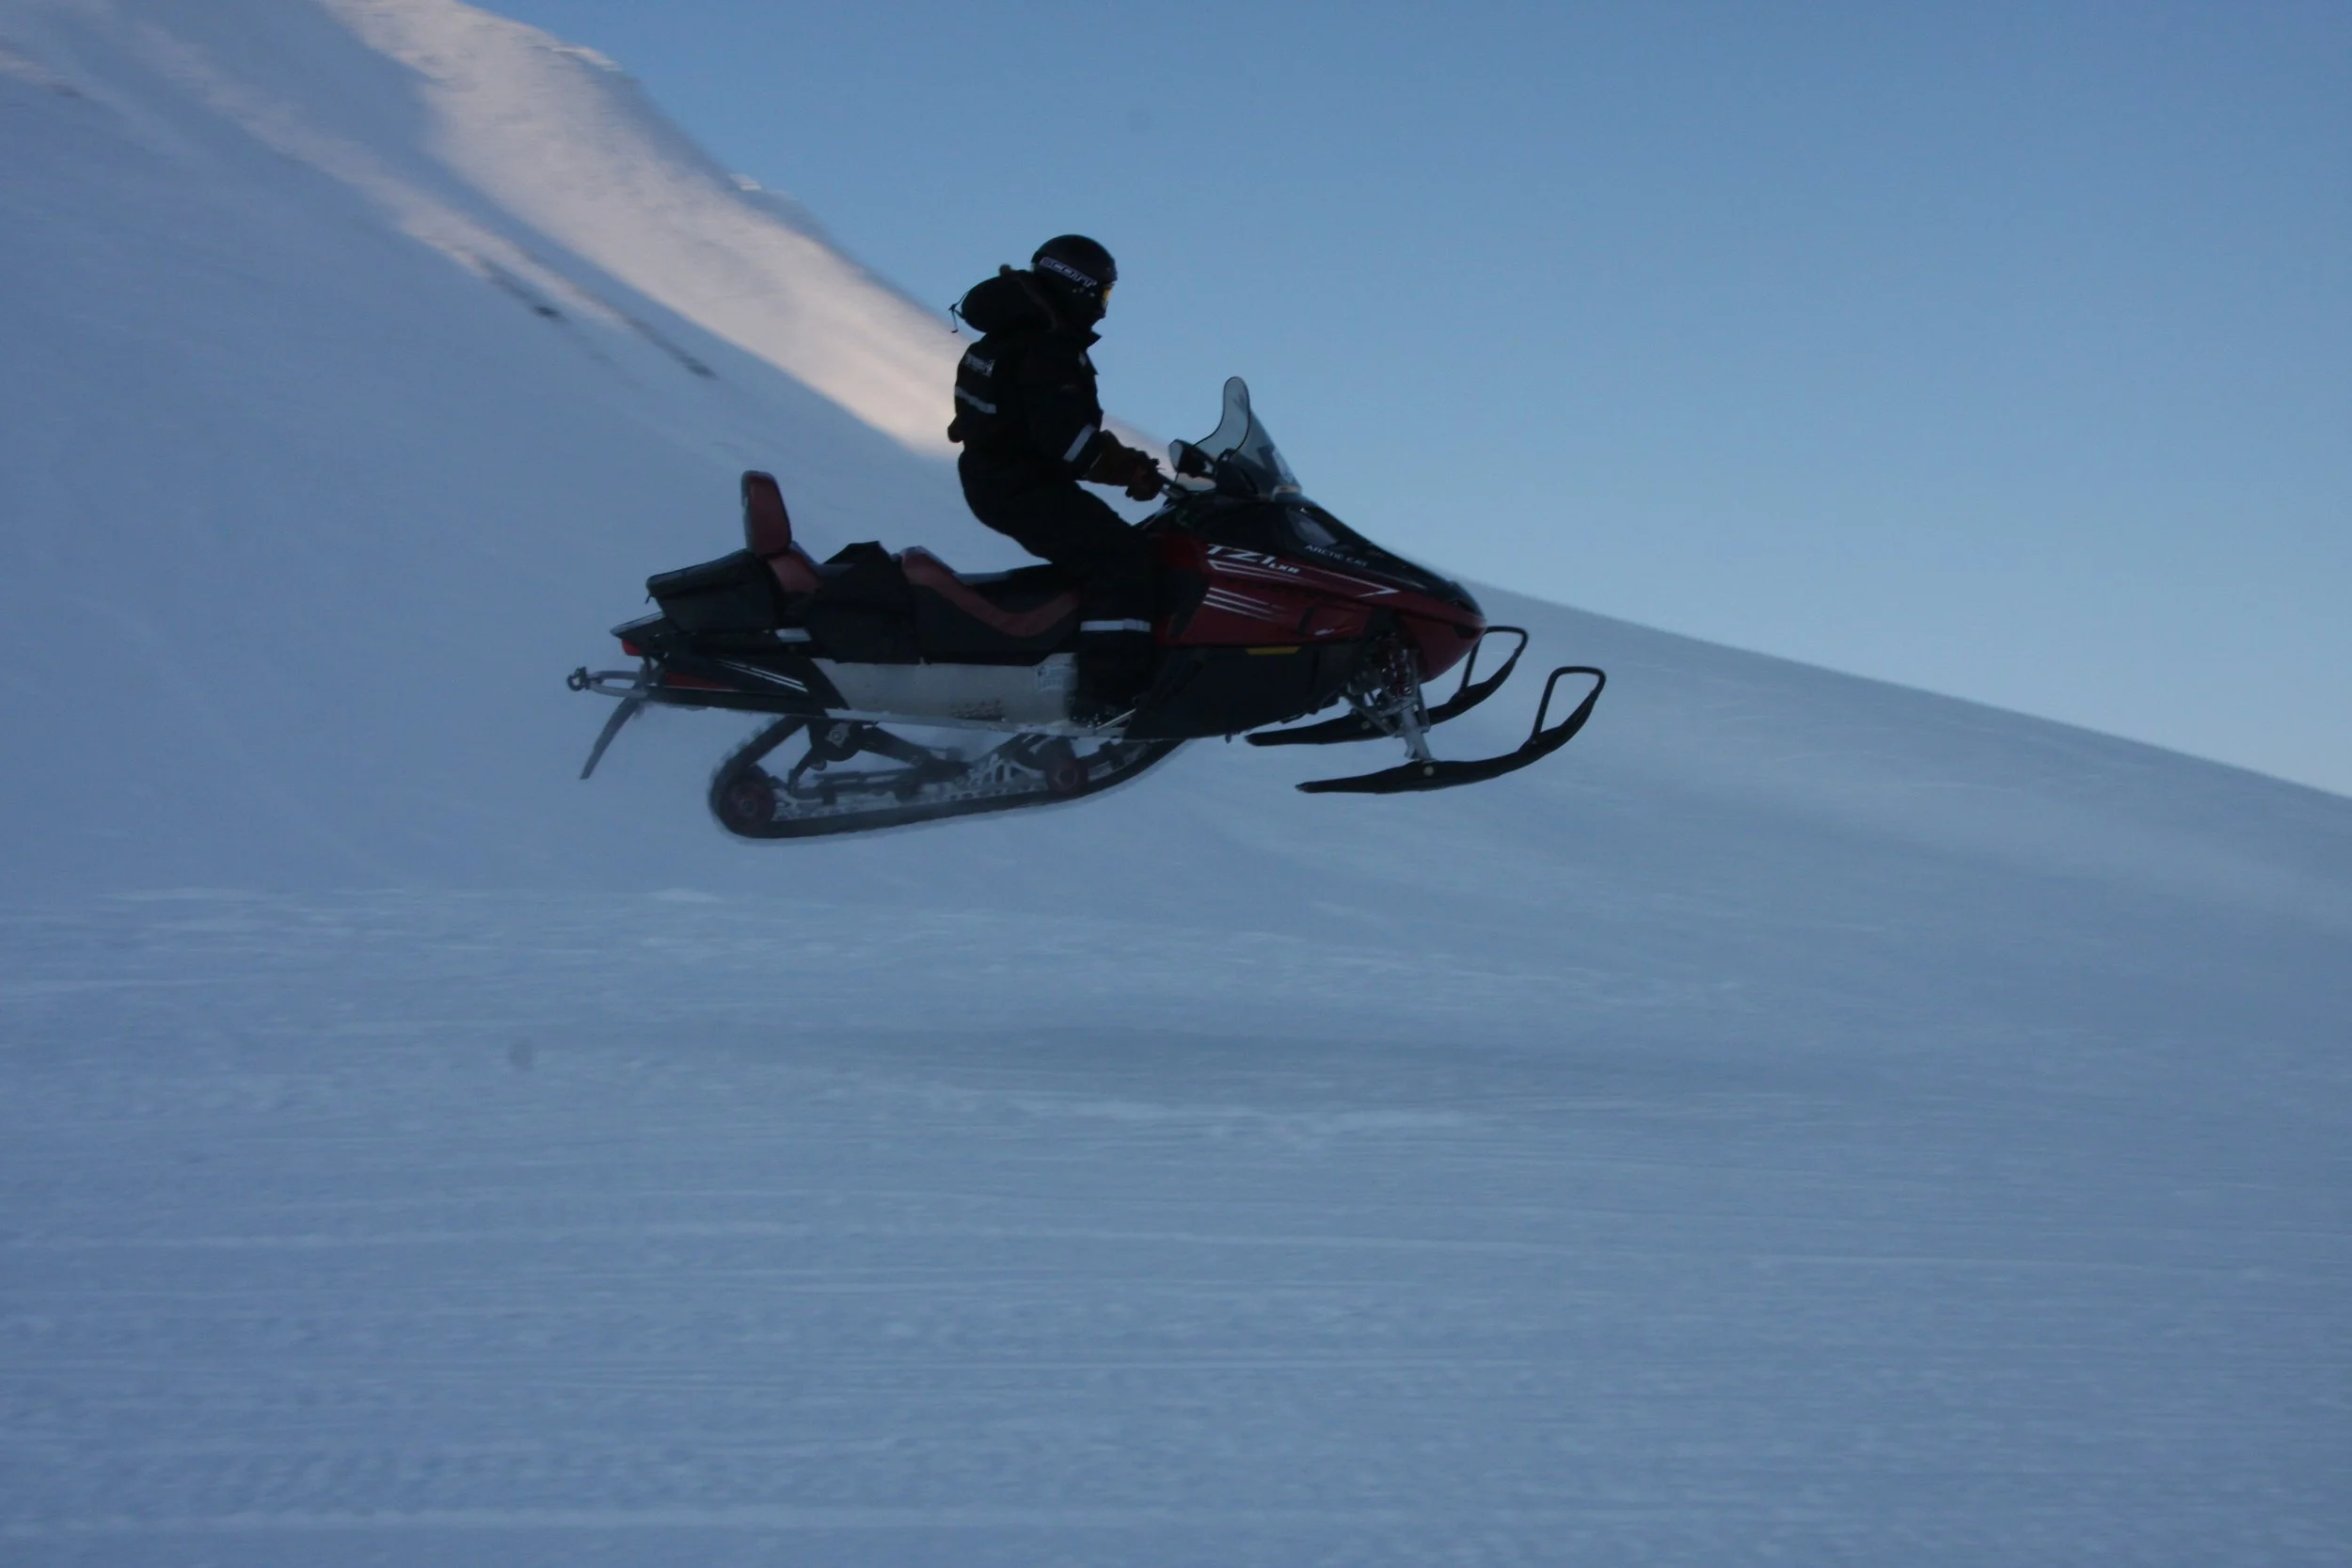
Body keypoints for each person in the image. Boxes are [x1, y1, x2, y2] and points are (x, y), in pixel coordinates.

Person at [947, 234, 1165, 721]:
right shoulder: (1048, 347)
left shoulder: (1012, 335)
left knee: (1100, 551)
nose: (1104, 309)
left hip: (1002, 478)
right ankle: (1107, 697)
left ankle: (1063, 661)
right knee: (1120, 560)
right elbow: (1067, 442)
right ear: (1080, 287)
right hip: (1022, 485)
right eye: (1103, 295)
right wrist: (1129, 469)